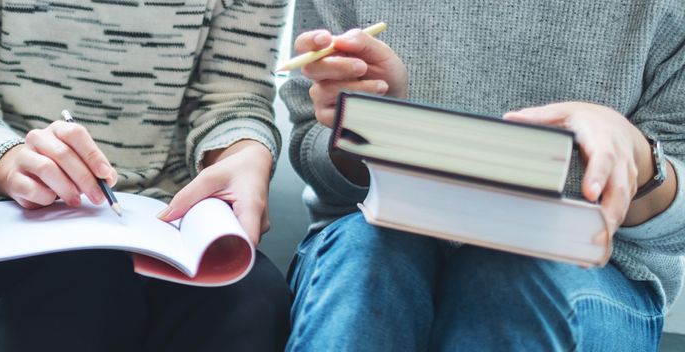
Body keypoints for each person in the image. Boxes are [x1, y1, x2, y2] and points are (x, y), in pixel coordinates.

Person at [0, 0, 293, 350]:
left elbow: (233, 98)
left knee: (250, 294)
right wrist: (9, 160)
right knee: (79, 276)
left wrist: (246, 155)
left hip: (169, 209)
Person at [281, 1, 684, 350]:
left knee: (506, 281)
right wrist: (373, 128)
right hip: (371, 236)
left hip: (596, 270)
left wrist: (636, 157)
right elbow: (312, 144)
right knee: (367, 260)